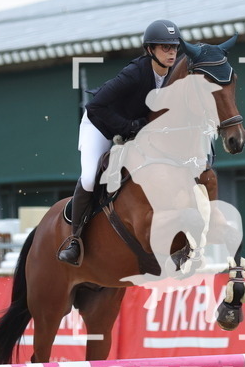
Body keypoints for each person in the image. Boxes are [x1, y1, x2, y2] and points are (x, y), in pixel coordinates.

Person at [57, 19, 181, 265]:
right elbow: (96, 106)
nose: (171, 52)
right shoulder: (135, 73)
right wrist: (128, 127)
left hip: (133, 130)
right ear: (150, 50)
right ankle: (74, 240)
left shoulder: (172, 78)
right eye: (164, 47)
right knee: (91, 177)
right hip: (99, 125)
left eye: (174, 47)